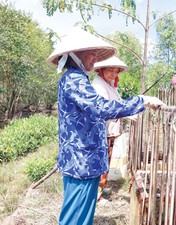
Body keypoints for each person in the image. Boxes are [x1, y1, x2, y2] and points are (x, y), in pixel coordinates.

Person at [46, 27, 164, 225]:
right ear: (75, 54)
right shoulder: (74, 79)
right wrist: (141, 101)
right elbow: (100, 107)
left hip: (85, 160)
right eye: (91, 53)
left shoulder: (78, 79)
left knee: (82, 215)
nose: (95, 57)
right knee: (75, 218)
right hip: (81, 162)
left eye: (96, 53)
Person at [91, 56, 133, 200]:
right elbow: (105, 109)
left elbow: (119, 103)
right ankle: (96, 194)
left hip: (110, 131)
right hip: (102, 131)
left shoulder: (109, 85)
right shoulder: (98, 86)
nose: (114, 74)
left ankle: (100, 191)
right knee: (100, 163)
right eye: (111, 71)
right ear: (101, 70)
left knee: (106, 162)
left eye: (116, 71)